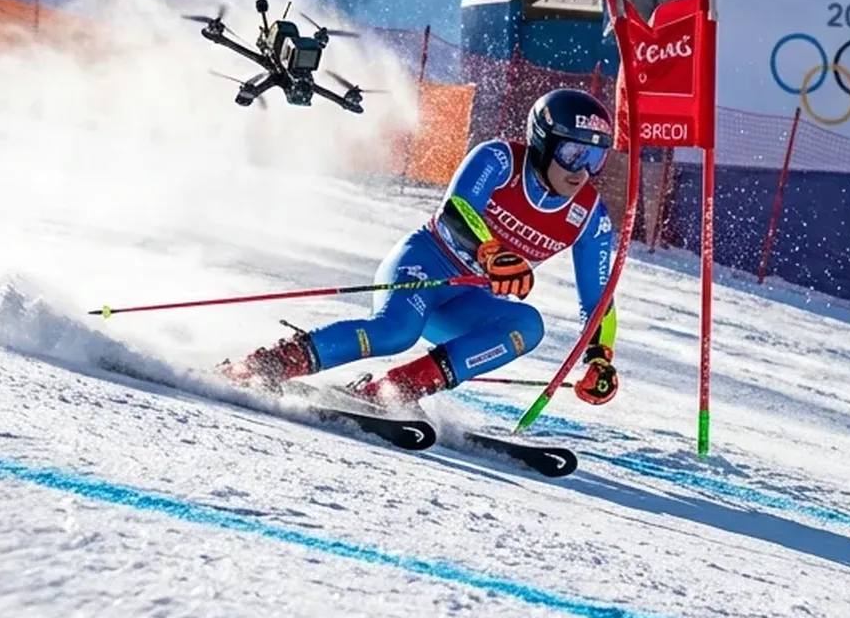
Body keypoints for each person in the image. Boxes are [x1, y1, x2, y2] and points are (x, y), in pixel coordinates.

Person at [220, 87, 621, 412]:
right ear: (544, 143)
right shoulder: (499, 159)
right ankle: (265, 365)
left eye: (596, 157)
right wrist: (491, 251)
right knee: (395, 332)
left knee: (527, 326)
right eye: (573, 153)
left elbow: (599, 297)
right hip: (426, 264)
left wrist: (599, 357)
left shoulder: (589, 216)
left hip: (467, 301)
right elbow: (457, 211)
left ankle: (391, 392)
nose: (582, 170)